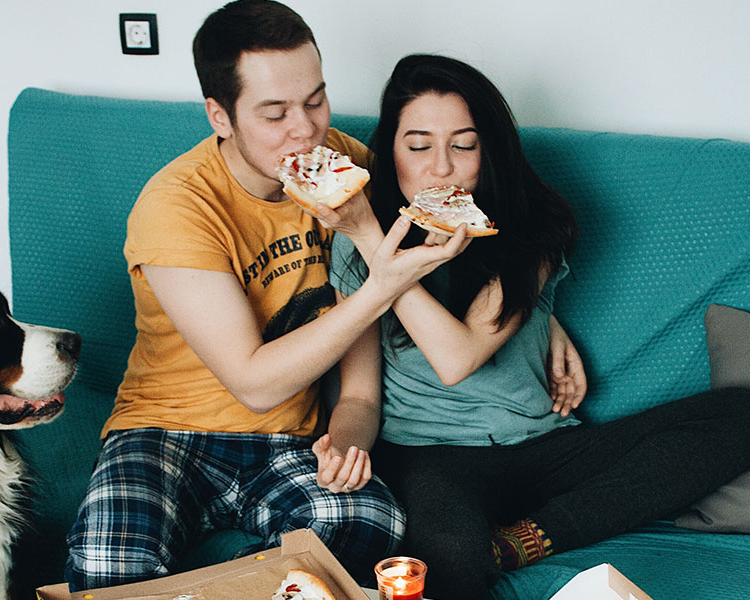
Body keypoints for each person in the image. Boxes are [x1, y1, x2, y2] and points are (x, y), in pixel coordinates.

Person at [63, 3, 473, 591]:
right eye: (274, 113)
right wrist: (382, 287)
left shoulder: (350, 166)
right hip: (164, 430)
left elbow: (454, 211)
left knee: (367, 520)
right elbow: (255, 384)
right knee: (109, 564)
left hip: (290, 442)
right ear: (220, 116)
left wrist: (535, 313)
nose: (305, 130)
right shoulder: (178, 205)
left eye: (315, 100)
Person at [326, 53, 750, 599]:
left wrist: (371, 242)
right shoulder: (354, 245)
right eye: (418, 145)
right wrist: (344, 452)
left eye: (463, 144)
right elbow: (359, 398)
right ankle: (490, 544)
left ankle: (525, 541)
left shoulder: (531, 229)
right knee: (449, 560)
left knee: (742, 412)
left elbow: (458, 358)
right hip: (428, 457)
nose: (441, 167)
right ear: (391, 153)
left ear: (490, 149)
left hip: (543, 448)